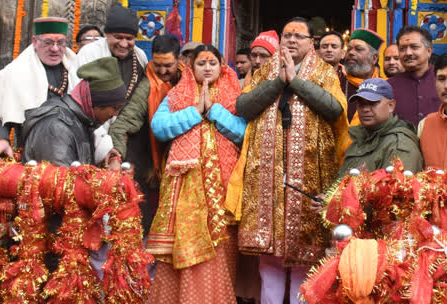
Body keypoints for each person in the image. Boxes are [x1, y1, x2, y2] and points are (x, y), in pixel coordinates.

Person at [225, 17, 349, 304]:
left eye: (299, 36)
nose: (292, 40)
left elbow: (334, 109)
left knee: (303, 261)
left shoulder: (325, 72)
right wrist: (279, 81)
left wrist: (297, 82)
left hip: (310, 175)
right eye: (287, 35)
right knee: (269, 261)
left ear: (311, 43)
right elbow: (243, 106)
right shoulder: (265, 70)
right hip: (267, 174)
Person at [145, 44, 246, 304]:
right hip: (186, 186)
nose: (208, 68)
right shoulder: (177, 95)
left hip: (224, 186)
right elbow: (160, 128)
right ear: (191, 67)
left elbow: (244, 133)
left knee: (221, 243)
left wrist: (214, 111)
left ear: (222, 64)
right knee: (185, 242)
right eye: (201, 63)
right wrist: (195, 112)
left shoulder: (236, 96)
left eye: (212, 62)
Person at [109, 34, 183, 235]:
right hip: (146, 161)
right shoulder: (147, 86)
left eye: (168, 65)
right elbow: (122, 125)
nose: (162, 71)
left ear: (179, 60)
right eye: (157, 64)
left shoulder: (187, 80)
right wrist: (117, 155)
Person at [0, 17, 77, 158]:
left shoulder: (78, 70)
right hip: (32, 154)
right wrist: (1, 140)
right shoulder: (12, 73)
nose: (55, 49)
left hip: (75, 154)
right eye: (48, 43)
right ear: (35, 42)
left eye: (61, 43)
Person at [70, 4, 149, 163]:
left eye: (129, 39)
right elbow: (79, 101)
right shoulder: (90, 53)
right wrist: (103, 144)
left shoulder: (140, 57)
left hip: (126, 141)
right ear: (107, 35)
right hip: (90, 136)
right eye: (118, 37)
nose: (124, 44)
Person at [22, 57, 127, 166]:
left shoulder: (83, 121)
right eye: (115, 108)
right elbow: (59, 180)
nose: (116, 114)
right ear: (95, 105)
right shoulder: (56, 128)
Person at [336, 78, 423, 176]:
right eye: (361, 104)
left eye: (373, 103)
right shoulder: (359, 137)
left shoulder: (400, 145)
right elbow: (340, 184)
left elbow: (396, 189)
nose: (365, 109)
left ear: (391, 106)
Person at [387, 26, 441, 125]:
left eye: (414, 47)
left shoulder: (444, 80)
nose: (408, 53)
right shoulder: (389, 86)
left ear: (429, 51)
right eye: (402, 48)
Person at [339, 29, 384, 122]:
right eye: (349, 49)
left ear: (374, 58)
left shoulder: (384, 86)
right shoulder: (336, 83)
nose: (351, 53)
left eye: (358, 49)